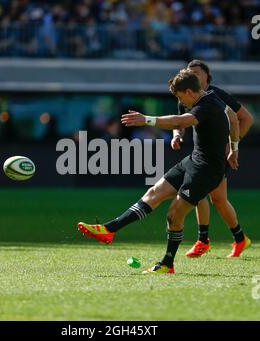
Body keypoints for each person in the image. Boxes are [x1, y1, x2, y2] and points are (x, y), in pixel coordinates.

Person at [78, 69, 239, 274]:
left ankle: (167, 263)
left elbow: (181, 121)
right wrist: (234, 149)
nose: (181, 102)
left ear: (189, 92)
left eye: (180, 97)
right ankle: (109, 230)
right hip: (193, 160)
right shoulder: (210, 97)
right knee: (154, 193)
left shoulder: (208, 104)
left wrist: (146, 119)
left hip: (208, 170)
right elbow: (232, 118)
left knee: (174, 213)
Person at [172, 60, 253, 258]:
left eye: (198, 73)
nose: (194, 75)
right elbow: (179, 120)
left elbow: (245, 118)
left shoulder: (217, 95)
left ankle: (215, 240)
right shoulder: (187, 92)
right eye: (191, 72)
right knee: (210, 197)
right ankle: (227, 239)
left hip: (217, 155)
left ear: (207, 77)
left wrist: (232, 144)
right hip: (200, 153)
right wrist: (177, 135)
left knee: (214, 198)